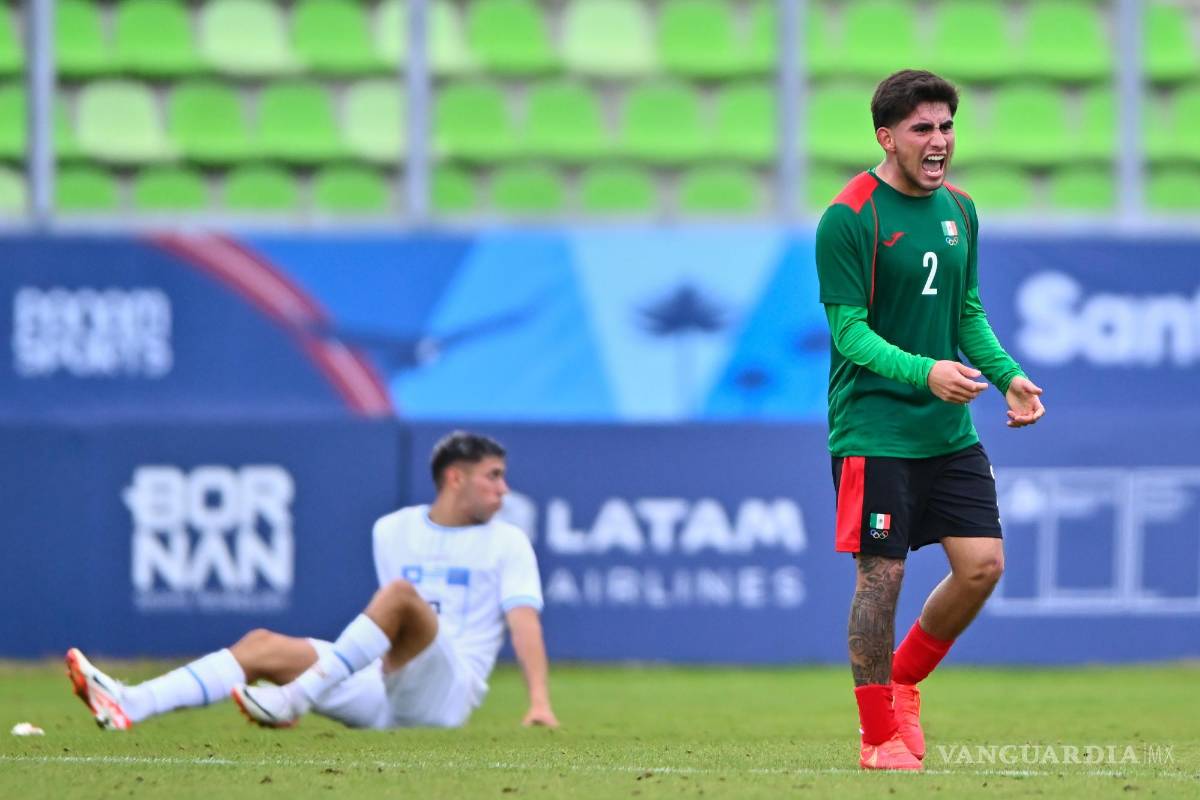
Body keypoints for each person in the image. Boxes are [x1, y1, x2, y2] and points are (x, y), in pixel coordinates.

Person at [814, 69, 1045, 771]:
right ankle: (877, 735)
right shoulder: (850, 216)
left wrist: (1007, 376)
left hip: (947, 431)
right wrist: (927, 371)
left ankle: (904, 682)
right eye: (922, 128)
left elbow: (965, 311)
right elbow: (849, 333)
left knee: (983, 567)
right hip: (874, 429)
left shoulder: (961, 210)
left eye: (946, 126)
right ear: (887, 137)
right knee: (880, 578)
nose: (939, 140)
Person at [67, 431, 558, 732]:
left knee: (400, 596)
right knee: (261, 646)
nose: (504, 489)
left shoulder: (508, 541)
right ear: (455, 478)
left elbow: (524, 623)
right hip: (381, 689)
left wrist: (539, 702)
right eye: (493, 476)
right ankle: (131, 702)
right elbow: (384, 636)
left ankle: (293, 699)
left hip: (447, 695)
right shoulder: (392, 530)